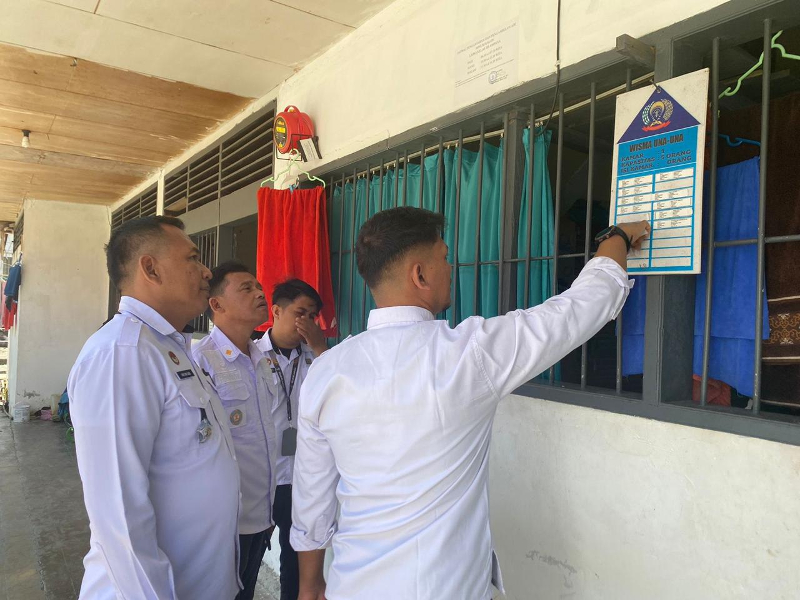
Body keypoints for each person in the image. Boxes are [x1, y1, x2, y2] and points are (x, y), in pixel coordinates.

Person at [289, 207, 650, 600]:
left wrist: (310, 585)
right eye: (444, 258)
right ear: (419, 275)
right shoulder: (470, 355)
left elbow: (312, 497)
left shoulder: (326, 372)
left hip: (354, 587)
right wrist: (616, 236)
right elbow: (581, 307)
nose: (450, 268)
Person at [67, 216, 241, 600]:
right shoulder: (122, 354)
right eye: (193, 258)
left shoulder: (168, 346)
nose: (206, 271)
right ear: (151, 269)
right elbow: (119, 515)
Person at [192, 261, 279, 600]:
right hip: (225, 524)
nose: (259, 293)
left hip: (261, 515)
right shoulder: (201, 361)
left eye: (259, 286)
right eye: (246, 288)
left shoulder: (261, 356)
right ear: (216, 304)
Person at [255, 279, 328, 600]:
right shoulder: (251, 355)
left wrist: (321, 348)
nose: (306, 322)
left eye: (312, 316)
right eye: (300, 313)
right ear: (276, 311)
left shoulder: (318, 358)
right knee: (248, 555)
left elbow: (338, 393)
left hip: (302, 476)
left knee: (296, 561)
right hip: (262, 477)